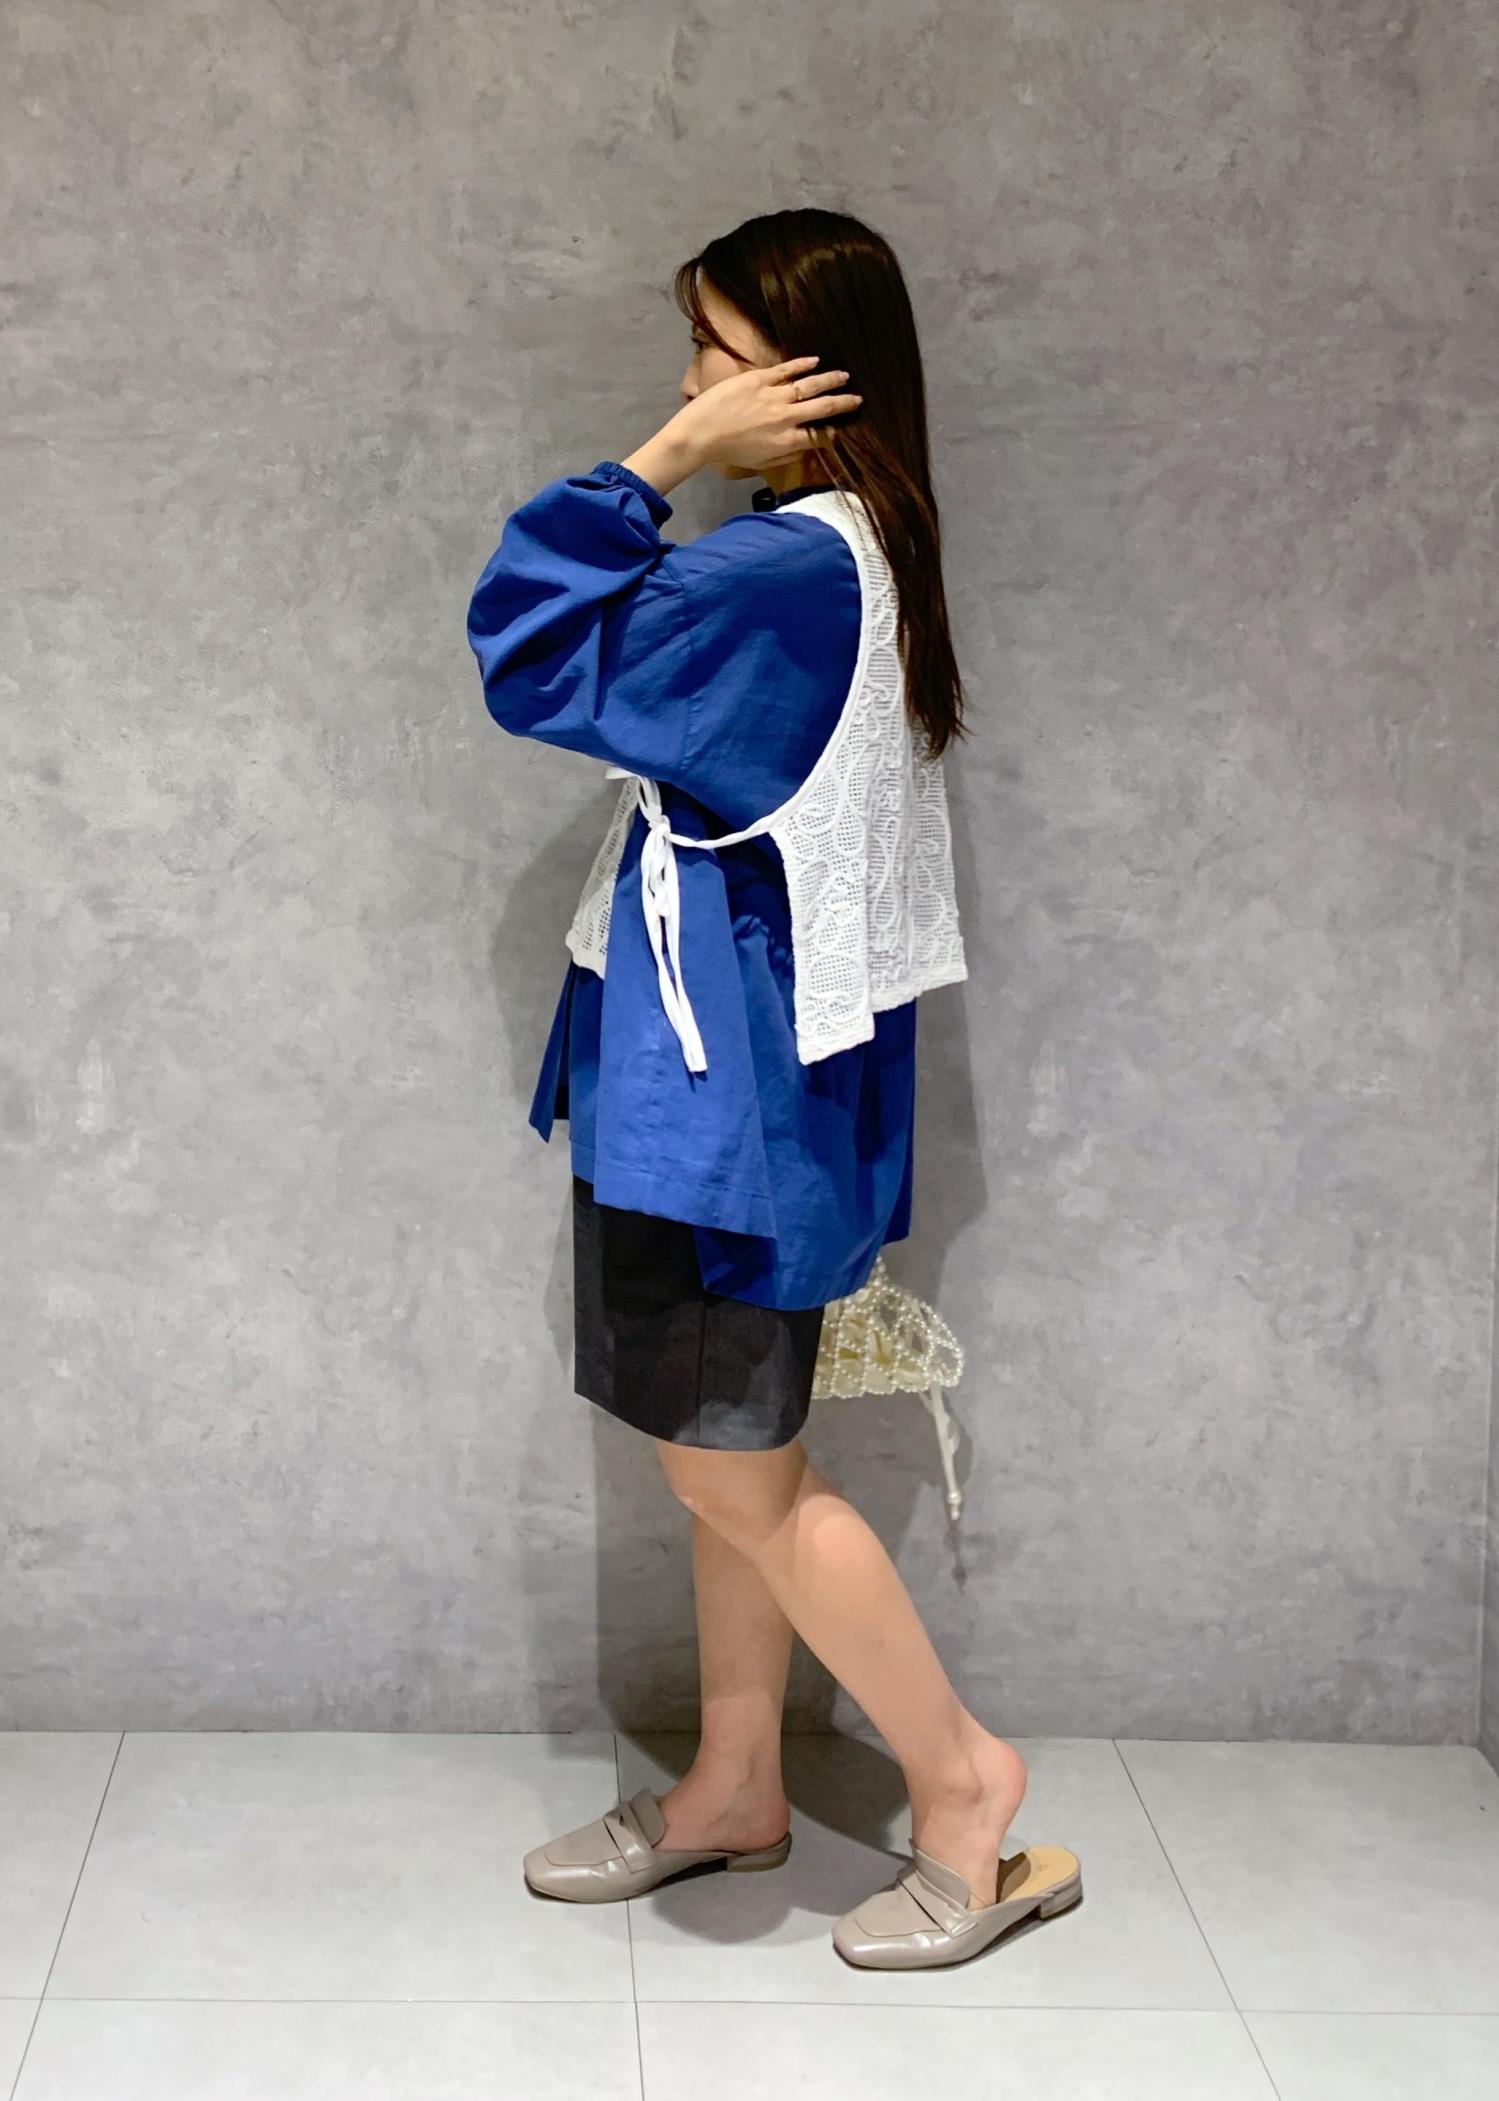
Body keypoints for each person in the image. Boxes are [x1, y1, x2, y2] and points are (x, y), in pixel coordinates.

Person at [466, 207, 1081, 1969]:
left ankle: (962, 1783)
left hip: (719, 1104)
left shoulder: (779, 571)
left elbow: (527, 648)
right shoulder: (869, 543)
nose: (690, 384)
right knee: (731, 1460)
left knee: (738, 1476)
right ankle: (737, 1783)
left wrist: (653, 465)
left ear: (815, 384)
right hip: (761, 1087)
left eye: (719, 357)